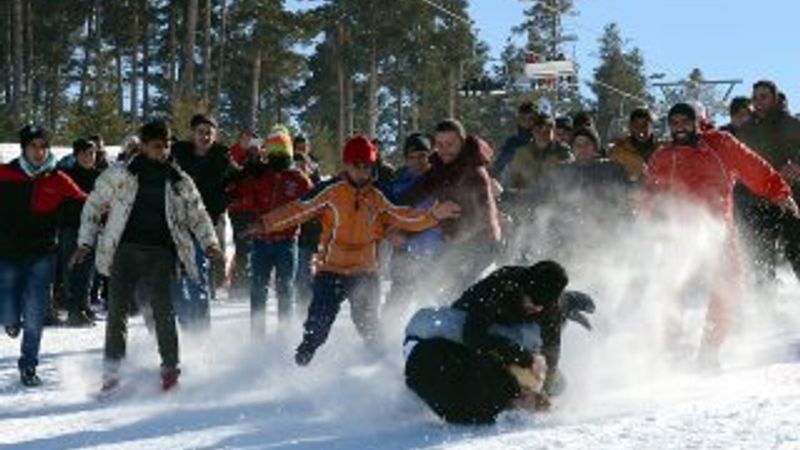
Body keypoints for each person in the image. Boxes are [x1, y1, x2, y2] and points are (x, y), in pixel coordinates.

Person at [249, 136, 461, 366]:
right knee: (318, 324)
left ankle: (380, 365)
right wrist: (265, 223)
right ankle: (304, 356)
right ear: (346, 165)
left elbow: (405, 216)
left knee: (368, 326)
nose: (362, 171)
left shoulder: (379, 194)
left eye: (367, 166)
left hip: (364, 272)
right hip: (331, 271)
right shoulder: (330, 191)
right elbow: (298, 210)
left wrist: (433, 216)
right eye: (356, 165)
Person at [642, 103, 798, 366]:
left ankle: (709, 350)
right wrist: (646, 215)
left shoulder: (720, 145)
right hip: (679, 230)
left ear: (697, 123)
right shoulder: (664, 156)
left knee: (727, 286)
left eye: (685, 122)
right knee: (671, 286)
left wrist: (780, 193)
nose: (680, 128)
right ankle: (669, 348)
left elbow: (754, 168)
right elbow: (650, 191)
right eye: (674, 123)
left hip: (719, 228)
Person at [73, 120, 221, 392]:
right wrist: (85, 241)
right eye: (156, 146)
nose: (163, 151)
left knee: (163, 311)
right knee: (116, 312)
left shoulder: (179, 180)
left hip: (161, 253)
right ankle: (112, 370)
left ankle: (170, 369)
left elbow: (198, 214)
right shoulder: (120, 174)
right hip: (124, 251)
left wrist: (210, 243)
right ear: (142, 146)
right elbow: (93, 205)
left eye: (166, 146)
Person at [403, 261, 595, 424]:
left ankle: (567, 302)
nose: (535, 308)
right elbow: (473, 337)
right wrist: (525, 358)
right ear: (523, 290)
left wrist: (543, 387)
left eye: (541, 306)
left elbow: (552, 349)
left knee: (556, 385)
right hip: (469, 332)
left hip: (511, 341)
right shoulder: (499, 287)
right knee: (520, 347)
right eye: (531, 302)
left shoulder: (547, 308)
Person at [0, 124, 87, 386]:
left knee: (35, 312)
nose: (39, 152)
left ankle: (29, 365)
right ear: (23, 148)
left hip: (42, 254)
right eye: (33, 146)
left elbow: (84, 200)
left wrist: (110, 202)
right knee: (8, 307)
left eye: (43, 147)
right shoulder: (5, 173)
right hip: (7, 252)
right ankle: (10, 320)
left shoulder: (58, 178)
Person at [400, 120, 502, 298]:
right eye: (439, 145)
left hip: (481, 244)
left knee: (457, 293)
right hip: (454, 242)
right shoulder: (439, 166)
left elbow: (481, 220)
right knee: (432, 286)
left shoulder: (474, 173)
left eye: (450, 144)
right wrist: (397, 218)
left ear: (462, 142)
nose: (444, 150)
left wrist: (440, 220)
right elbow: (415, 193)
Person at [239, 126, 312, 335]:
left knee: (285, 288)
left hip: (287, 242)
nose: (278, 157)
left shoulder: (297, 178)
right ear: (267, 154)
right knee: (257, 288)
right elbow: (247, 198)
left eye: (283, 153)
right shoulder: (261, 174)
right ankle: (257, 333)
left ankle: (284, 332)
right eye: (274, 153)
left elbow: (310, 204)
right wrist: (250, 167)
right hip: (261, 241)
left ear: (289, 153)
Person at [172, 113, 234, 329]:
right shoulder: (178, 155)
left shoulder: (222, 158)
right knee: (174, 278)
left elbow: (241, 178)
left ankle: (201, 331)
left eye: (209, 133)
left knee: (198, 276)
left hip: (205, 225)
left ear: (215, 135)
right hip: (177, 223)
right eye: (201, 132)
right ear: (193, 134)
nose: (205, 137)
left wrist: (222, 202)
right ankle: (186, 324)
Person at [737, 81, 800, 283]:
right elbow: (738, 161)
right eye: (755, 98)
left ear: (774, 98)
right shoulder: (746, 130)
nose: (758, 102)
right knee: (762, 258)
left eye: (764, 97)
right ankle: (765, 299)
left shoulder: (792, 124)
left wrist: (798, 166)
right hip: (758, 200)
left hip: (791, 199)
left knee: (796, 251)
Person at [383, 133, 444, 319]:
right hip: (404, 252)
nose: (418, 161)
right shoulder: (397, 183)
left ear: (430, 155)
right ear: (406, 159)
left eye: (422, 156)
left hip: (435, 250)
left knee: (433, 300)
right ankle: (385, 332)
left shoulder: (441, 178)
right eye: (412, 157)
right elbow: (385, 214)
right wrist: (388, 232)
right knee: (397, 300)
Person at [60, 138, 101, 326]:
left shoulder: (100, 176)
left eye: (92, 153)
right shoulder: (67, 175)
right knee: (72, 268)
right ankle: (73, 309)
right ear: (76, 155)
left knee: (89, 269)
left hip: (93, 228)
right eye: (85, 154)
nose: (89, 157)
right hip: (71, 227)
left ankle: (84, 305)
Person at [609, 107, 658, 182]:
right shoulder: (619, 151)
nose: (640, 129)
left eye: (645, 125)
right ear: (630, 127)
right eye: (636, 126)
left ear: (651, 127)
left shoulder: (662, 150)